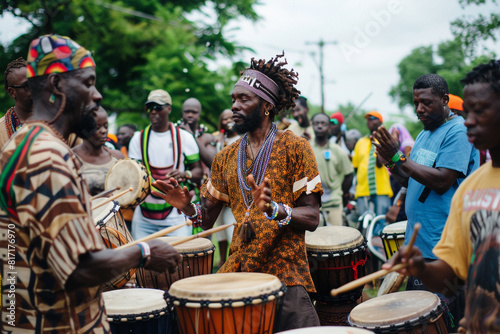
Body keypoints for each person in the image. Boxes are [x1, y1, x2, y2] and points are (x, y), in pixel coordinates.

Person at [0, 34, 179, 333]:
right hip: (59, 324)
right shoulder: (48, 156)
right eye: (88, 82)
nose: (96, 95)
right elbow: (79, 269)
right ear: (57, 85)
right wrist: (145, 253)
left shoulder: (22, 142)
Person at [152, 54, 323, 331]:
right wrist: (185, 207)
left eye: (244, 99)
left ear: (266, 106)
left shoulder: (296, 147)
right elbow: (205, 219)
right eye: (234, 99)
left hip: (286, 272)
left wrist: (273, 209)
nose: (234, 106)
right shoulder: (225, 157)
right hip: (240, 269)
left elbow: (312, 217)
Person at [383, 60, 500, 333]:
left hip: (434, 238)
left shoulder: (455, 131)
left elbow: (441, 180)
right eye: (467, 111)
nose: (468, 121)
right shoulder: (471, 189)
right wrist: (419, 267)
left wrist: (399, 156)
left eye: (479, 111)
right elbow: (455, 278)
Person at [128, 89, 203, 238]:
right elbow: (133, 174)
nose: (153, 111)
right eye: (149, 107)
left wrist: (185, 174)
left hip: (176, 216)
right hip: (144, 216)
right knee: (143, 259)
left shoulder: (185, 137)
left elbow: (198, 172)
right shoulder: (138, 138)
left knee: (180, 260)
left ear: (169, 108)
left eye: (158, 107)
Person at [311, 112, 353, 226]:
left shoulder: (337, 151)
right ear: (312, 125)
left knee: (335, 238)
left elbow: (349, 174)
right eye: (316, 123)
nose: (319, 126)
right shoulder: (306, 148)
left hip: (333, 202)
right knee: (313, 239)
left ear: (329, 127)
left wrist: (343, 194)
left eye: (323, 123)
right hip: (312, 203)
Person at [73, 106, 124, 196]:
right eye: (97, 127)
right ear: (83, 131)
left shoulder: (117, 157)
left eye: (106, 126)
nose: (104, 131)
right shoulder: (71, 157)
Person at [212, 109, 240, 267]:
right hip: (219, 191)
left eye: (231, 118)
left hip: (233, 194)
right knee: (220, 228)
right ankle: (222, 260)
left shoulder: (242, 138)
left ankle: (235, 262)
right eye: (224, 119)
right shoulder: (219, 140)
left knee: (231, 229)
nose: (228, 121)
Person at [352, 111, 393, 217]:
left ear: (380, 122)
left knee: (380, 223)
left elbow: (381, 164)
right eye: (368, 119)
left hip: (381, 189)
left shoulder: (385, 140)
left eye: (373, 118)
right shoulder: (360, 142)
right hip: (362, 190)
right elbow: (356, 167)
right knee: (363, 224)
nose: (369, 121)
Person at [178, 97, 214, 180]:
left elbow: (213, 164)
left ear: (199, 114)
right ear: (182, 113)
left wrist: (192, 136)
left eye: (194, 112)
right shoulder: (175, 135)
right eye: (187, 112)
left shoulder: (207, 137)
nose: (190, 115)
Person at [1, 57, 33, 148]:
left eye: (35, 81)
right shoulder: (1, 130)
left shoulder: (58, 120)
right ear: (12, 92)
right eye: (27, 85)